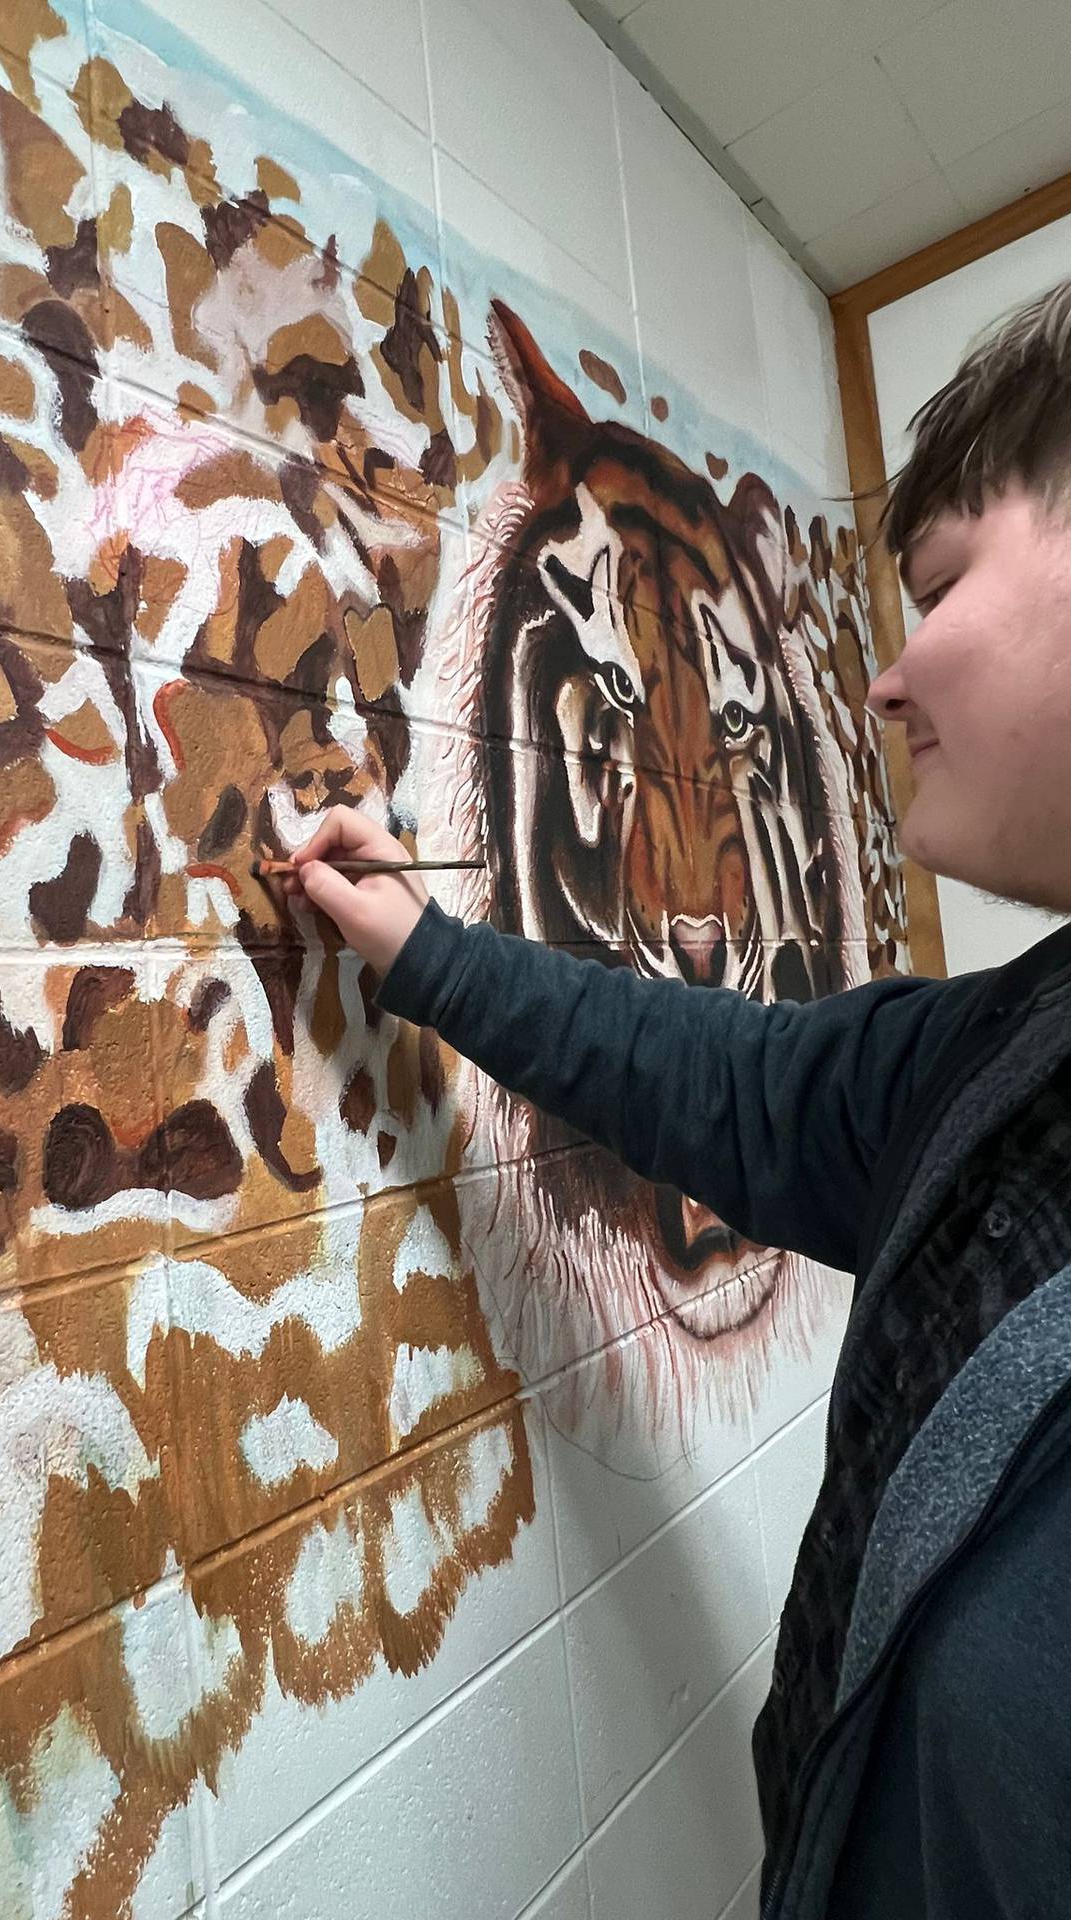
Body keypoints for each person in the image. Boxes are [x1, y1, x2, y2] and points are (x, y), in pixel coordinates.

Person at [281, 277, 1071, 1920]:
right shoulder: (1004, 1069)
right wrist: (422, 946)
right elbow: (716, 1073)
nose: (883, 681)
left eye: (935, 590)